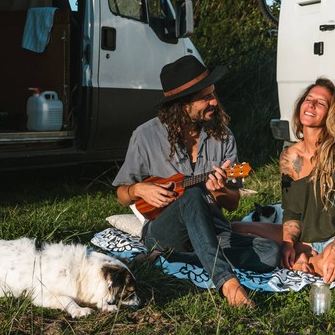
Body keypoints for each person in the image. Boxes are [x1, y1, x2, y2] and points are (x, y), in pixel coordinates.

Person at [113, 55, 280, 308]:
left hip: (213, 228)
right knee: (191, 194)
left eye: (214, 94)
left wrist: (220, 189)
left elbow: (232, 204)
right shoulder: (145, 136)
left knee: (270, 252)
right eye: (205, 97)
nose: (214, 102)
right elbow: (122, 194)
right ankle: (229, 284)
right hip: (165, 230)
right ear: (181, 105)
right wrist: (138, 188)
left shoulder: (223, 136)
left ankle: (172, 258)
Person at [233, 77, 335, 284]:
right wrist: (288, 244)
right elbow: (291, 212)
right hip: (307, 238)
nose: (311, 105)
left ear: (330, 114)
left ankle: (309, 263)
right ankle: (307, 258)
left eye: (320, 103)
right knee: (236, 229)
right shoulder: (288, 157)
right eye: (308, 99)